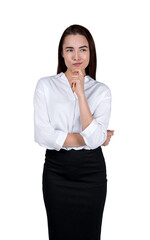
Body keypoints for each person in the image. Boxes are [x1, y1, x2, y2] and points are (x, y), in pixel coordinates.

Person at [33, 24, 114, 240]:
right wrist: (92, 138)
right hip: (56, 172)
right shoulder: (45, 86)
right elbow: (42, 135)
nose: (76, 56)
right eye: (70, 50)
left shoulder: (101, 91)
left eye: (83, 49)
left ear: (91, 52)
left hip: (91, 173)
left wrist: (81, 95)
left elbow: (94, 140)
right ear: (62, 53)